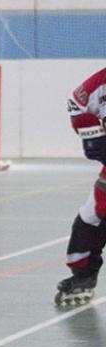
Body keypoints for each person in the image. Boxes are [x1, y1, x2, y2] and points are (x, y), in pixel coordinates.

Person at [55, 67, 106, 307]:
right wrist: (91, 133)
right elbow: (76, 103)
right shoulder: (101, 82)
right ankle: (83, 276)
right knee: (92, 213)